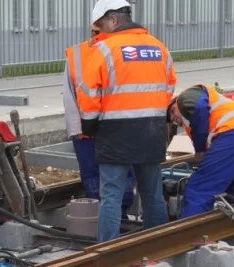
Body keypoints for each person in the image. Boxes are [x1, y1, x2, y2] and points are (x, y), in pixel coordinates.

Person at [77, 0, 177, 242]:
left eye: (100, 26)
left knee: (111, 194)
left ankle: (109, 249)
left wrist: (89, 127)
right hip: (152, 131)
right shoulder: (159, 48)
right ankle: (158, 244)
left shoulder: (103, 50)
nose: (98, 32)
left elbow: (89, 93)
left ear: (113, 20)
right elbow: (169, 86)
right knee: (152, 191)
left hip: (115, 132)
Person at [63, 24, 135, 220]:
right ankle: (105, 219)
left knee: (122, 173)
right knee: (95, 176)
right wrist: (76, 127)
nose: (98, 36)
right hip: (89, 130)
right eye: (95, 32)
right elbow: (69, 95)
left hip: (115, 127)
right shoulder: (77, 54)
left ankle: (119, 215)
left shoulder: (121, 51)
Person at [167, 84, 234, 218]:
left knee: (199, 188)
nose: (173, 118)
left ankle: (193, 237)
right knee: (230, 184)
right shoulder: (200, 120)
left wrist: (200, 151)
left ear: (175, 101)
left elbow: (199, 108)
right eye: (171, 120)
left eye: (172, 111)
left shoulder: (186, 96)